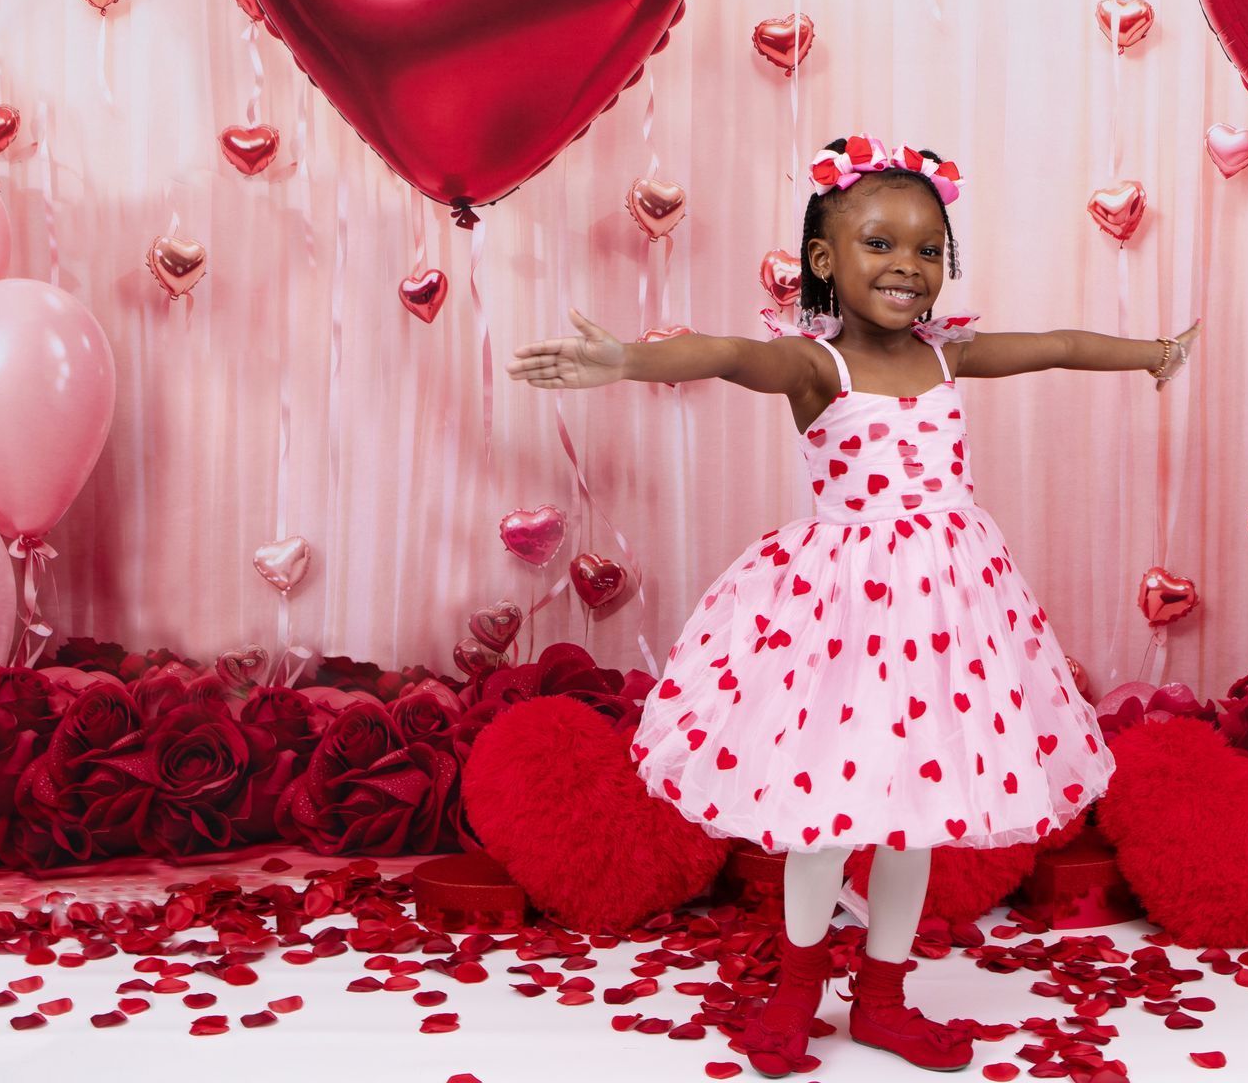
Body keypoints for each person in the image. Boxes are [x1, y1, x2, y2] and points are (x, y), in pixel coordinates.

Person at [508, 134, 1199, 1075]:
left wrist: (1156, 353)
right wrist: (626, 358)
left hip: (950, 608)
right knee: (827, 816)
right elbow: (731, 356)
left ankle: (882, 996)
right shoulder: (816, 368)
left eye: (926, 251)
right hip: (846, 615)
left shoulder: (949, 357)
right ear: (826, 261)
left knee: (917, 812)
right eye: (880, 245)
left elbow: (1059, 346)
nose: (907, 268)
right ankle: (798, 992)